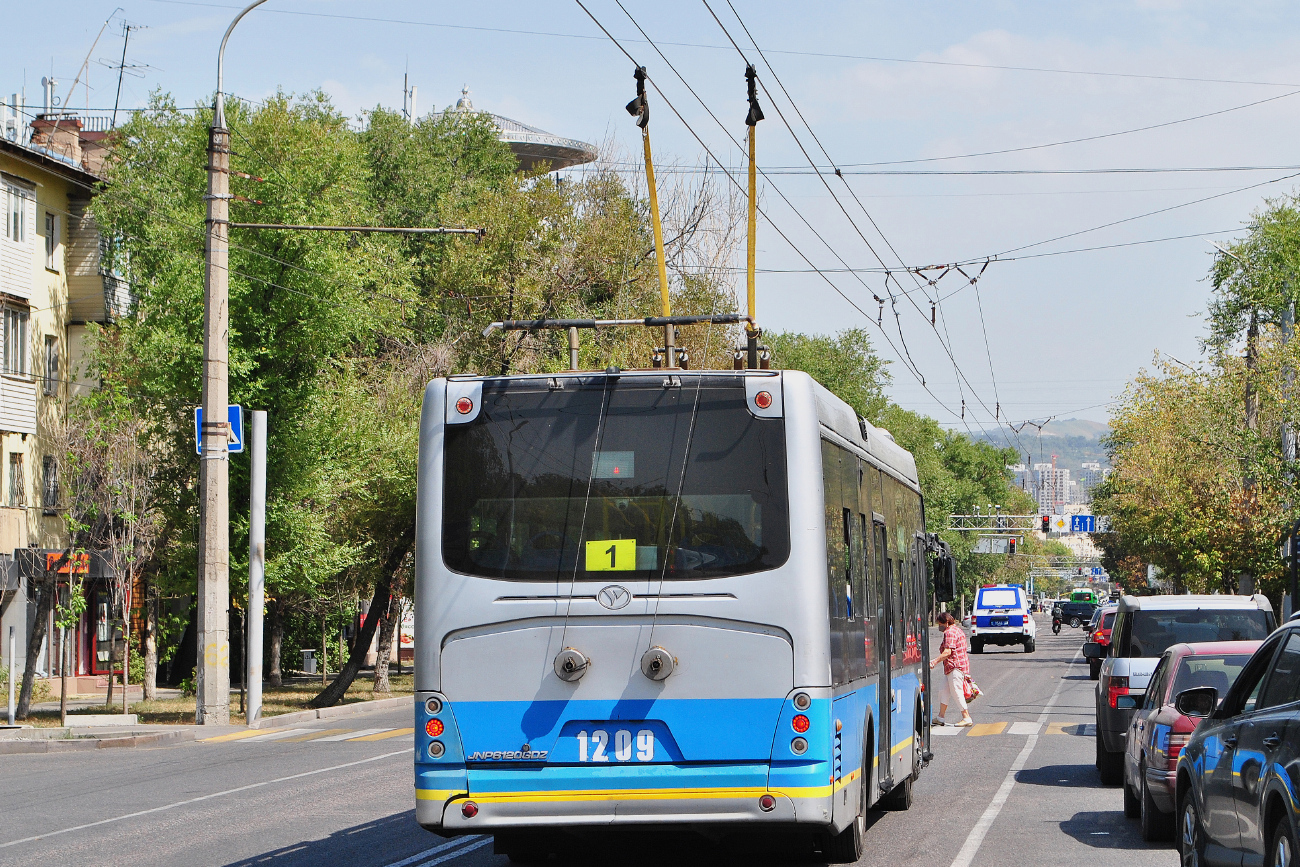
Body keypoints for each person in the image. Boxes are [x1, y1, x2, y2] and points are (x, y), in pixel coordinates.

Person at [930, 612, 973, 727]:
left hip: (955, 667)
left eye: (940, 623)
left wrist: (934, 661)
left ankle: (966, 717)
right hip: (954, 667)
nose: (939, 625)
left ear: (947, 622)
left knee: (956, 692)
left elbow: (948, 652)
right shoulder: (958, 630)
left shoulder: (950, 632)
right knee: (943, 690)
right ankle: (941, 717)